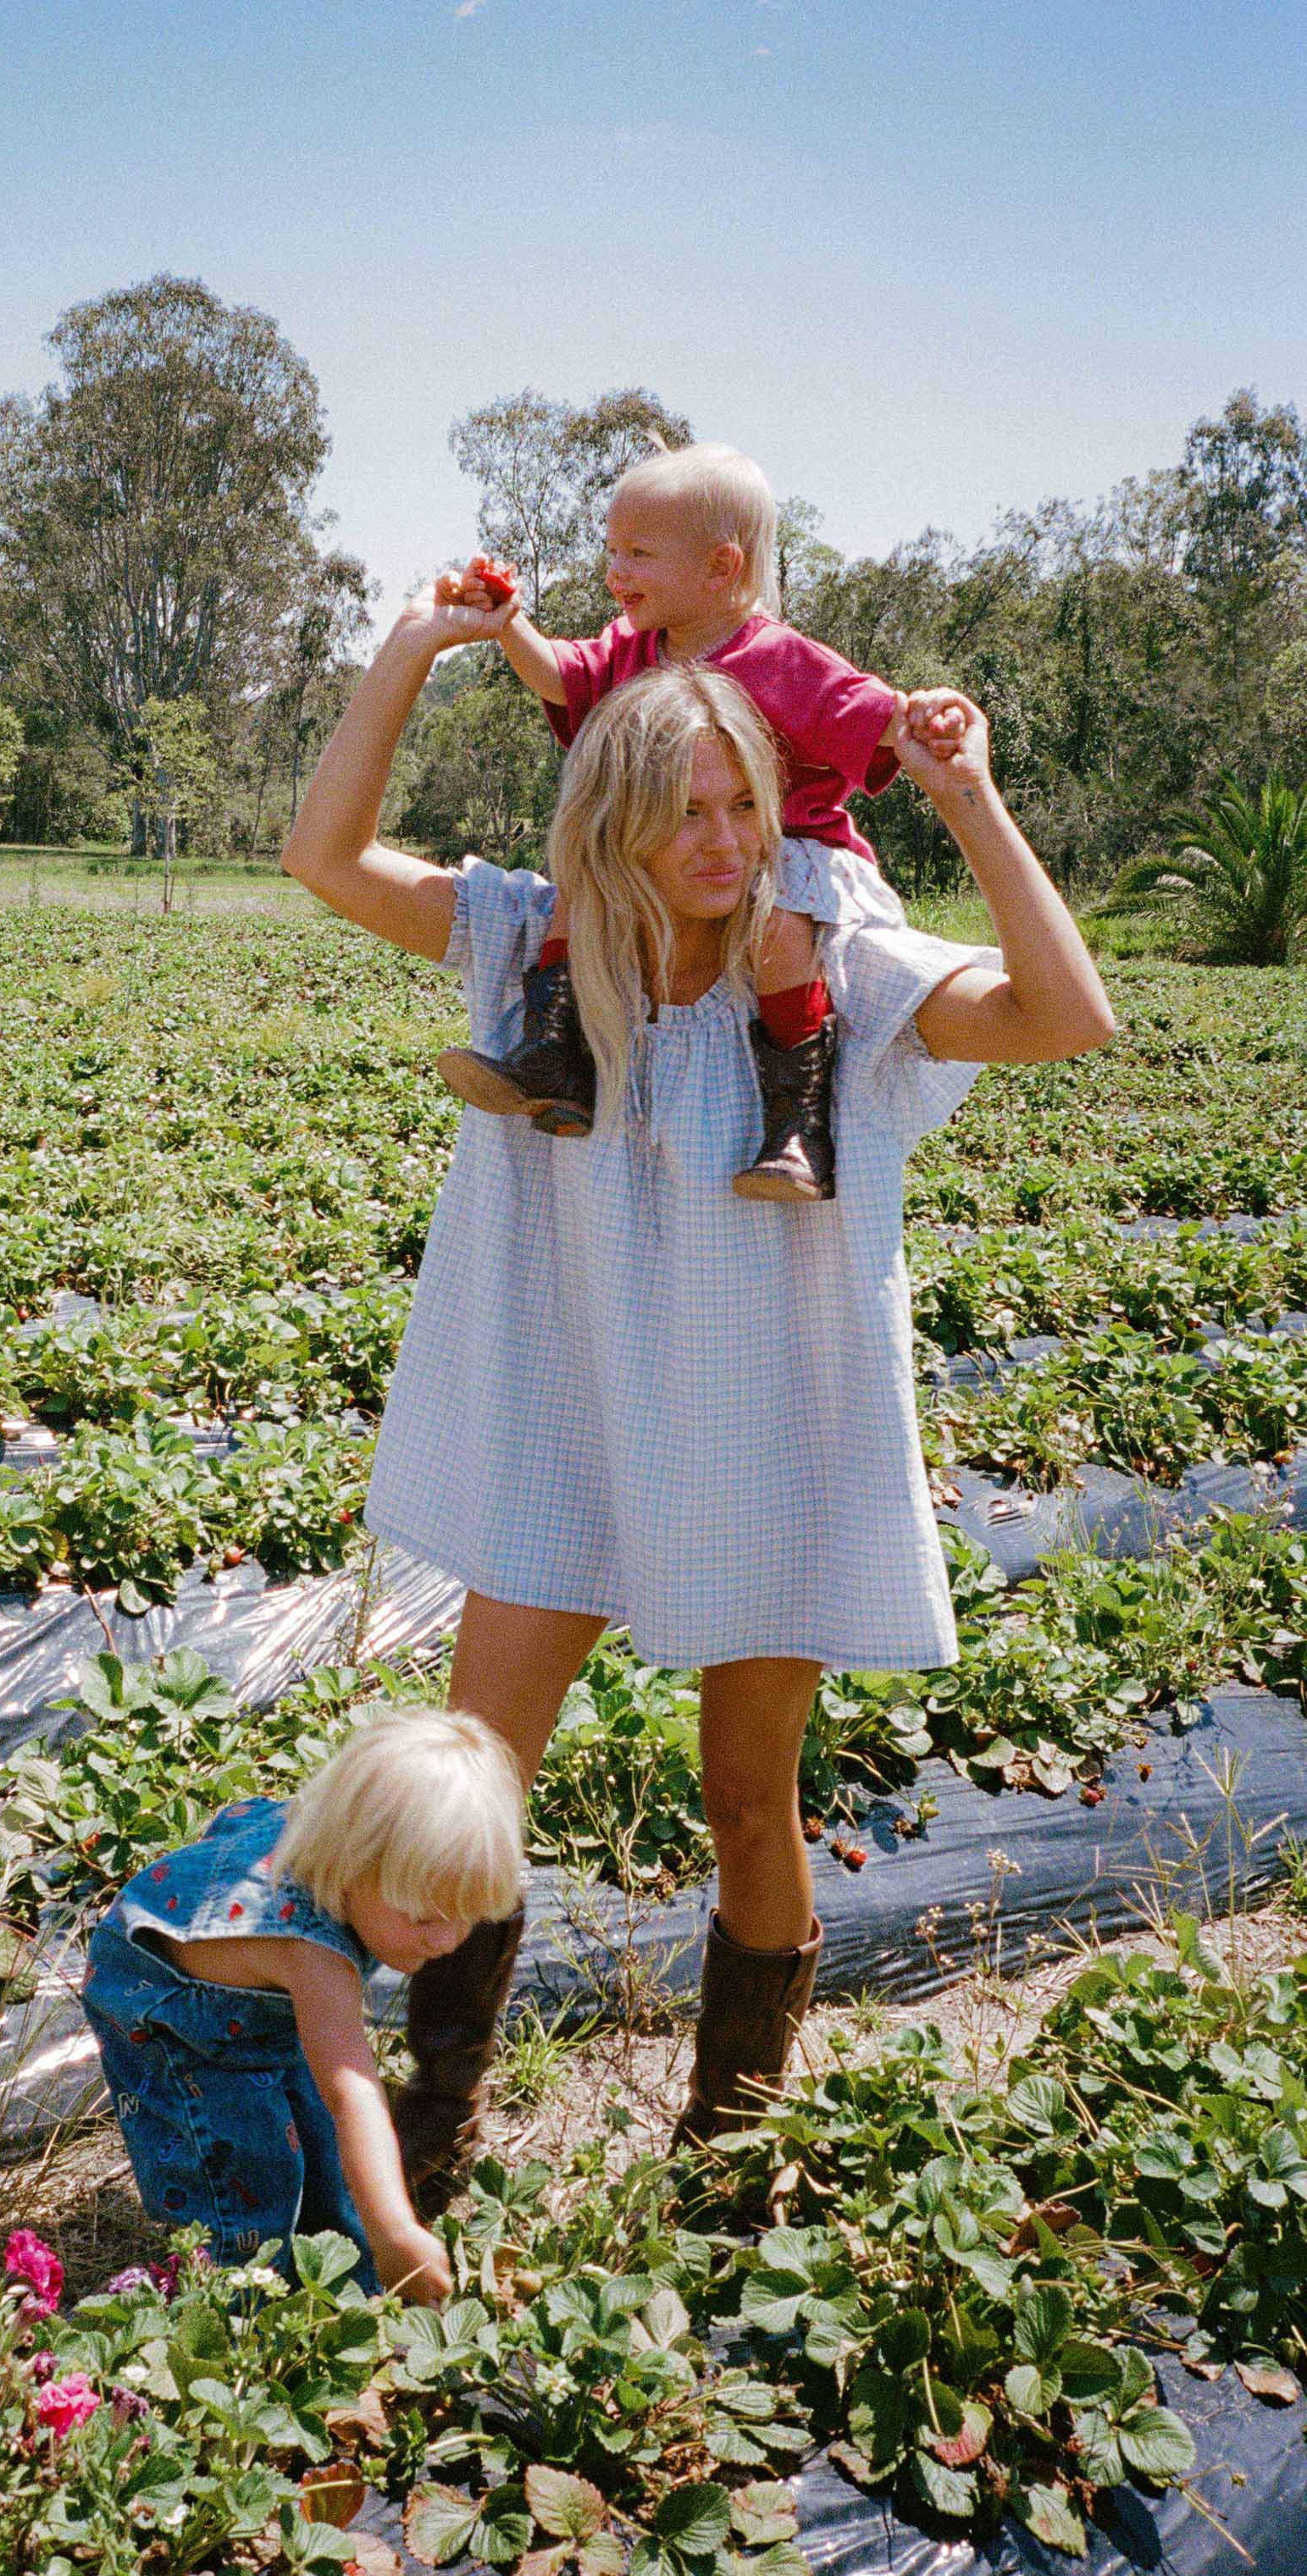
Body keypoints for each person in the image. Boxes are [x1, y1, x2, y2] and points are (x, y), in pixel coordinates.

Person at [281, 583, 1114, 2204]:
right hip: (564, 1432)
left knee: (748, 1797)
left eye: (742, 798)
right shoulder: (533, 944)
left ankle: (730, 2147)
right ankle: (438, 2136)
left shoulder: (843, 968)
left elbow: (1064, 1016)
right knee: (470, 1783)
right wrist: (409, 649)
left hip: (762, 1442)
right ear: (614, 820)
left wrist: (971, 800)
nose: (723, 837)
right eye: (683, 809)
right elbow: (325, 856)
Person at [435, 441, 958, 1202]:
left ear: (721, 568)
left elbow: (868, 714)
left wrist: (922, 716)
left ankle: (797, 1121)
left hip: (781, 855)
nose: (616, 573)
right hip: (663, 851)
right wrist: (509, 625)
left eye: (638, 554)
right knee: (583, 875)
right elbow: (561, 674)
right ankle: (557, 1049)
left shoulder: (782, 659)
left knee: (778, 928)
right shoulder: (631, 648)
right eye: (612, 551)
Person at [79, 1704, 524, 2302]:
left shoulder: (333, 1837)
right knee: (241, 2166)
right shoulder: (311, 1956)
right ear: (352, 1867)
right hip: (169, 2017)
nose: (445, 1942)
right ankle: (239, 2311)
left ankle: (343, 2277)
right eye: (423, 1917)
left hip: (250, 1997)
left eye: (467, 1917)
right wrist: (395, 2229)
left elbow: (233, 1820)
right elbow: (354, 2095)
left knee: (319, 2143)